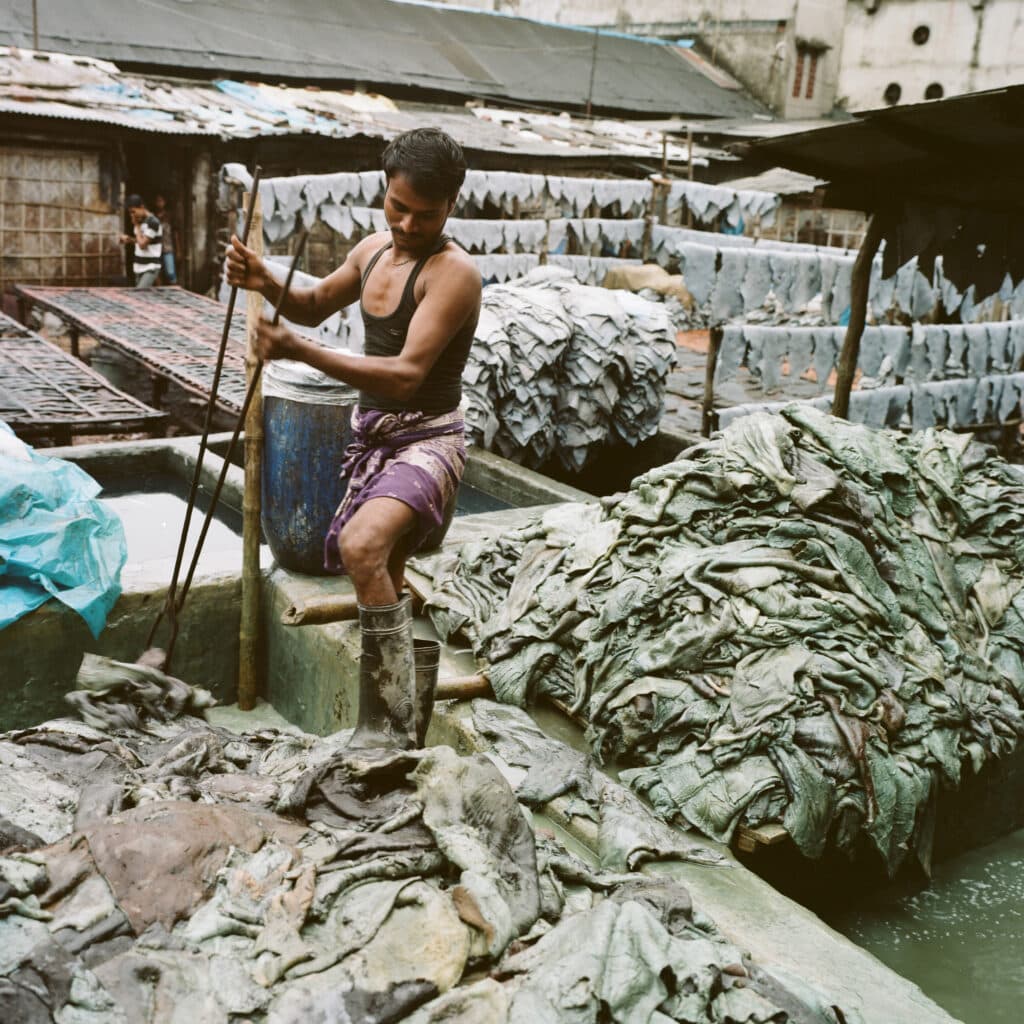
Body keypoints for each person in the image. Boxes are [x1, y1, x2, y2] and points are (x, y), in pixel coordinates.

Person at [225, 128, 481, 751]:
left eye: (425, 214)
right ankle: (399, 728)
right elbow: (311, 304)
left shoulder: (453, 275)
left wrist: (300, 350)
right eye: (397, 207)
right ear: (384, 192)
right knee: (383, 579)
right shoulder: (372, 251)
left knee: (364, 547)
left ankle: (386, 732)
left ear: (451, 205)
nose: (408, 224)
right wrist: (262, 276)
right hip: (376, 440)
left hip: (429, 439)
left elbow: (406, 375)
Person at [120, 194, 162, 288]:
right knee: (142, 297)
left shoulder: (153, 222)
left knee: (140, 293)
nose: (132, 215)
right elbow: (141, 241)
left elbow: (142, 244)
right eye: (130, 213)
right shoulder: (141, 221)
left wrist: (137, 226)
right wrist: (130, 240)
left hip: (150, 267)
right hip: (139, 266)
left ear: (142, 207)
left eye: (133, 212)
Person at [153, 192, 177, 285]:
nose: (159, 203)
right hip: (155, 248)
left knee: (170, 272)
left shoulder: (169, 216)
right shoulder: (153, 216)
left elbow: (175, 232)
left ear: (165, 202)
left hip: (168, 247)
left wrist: (178, 249)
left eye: (161, 201)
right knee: (157, 272)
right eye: (157, 201)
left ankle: (174, 291)